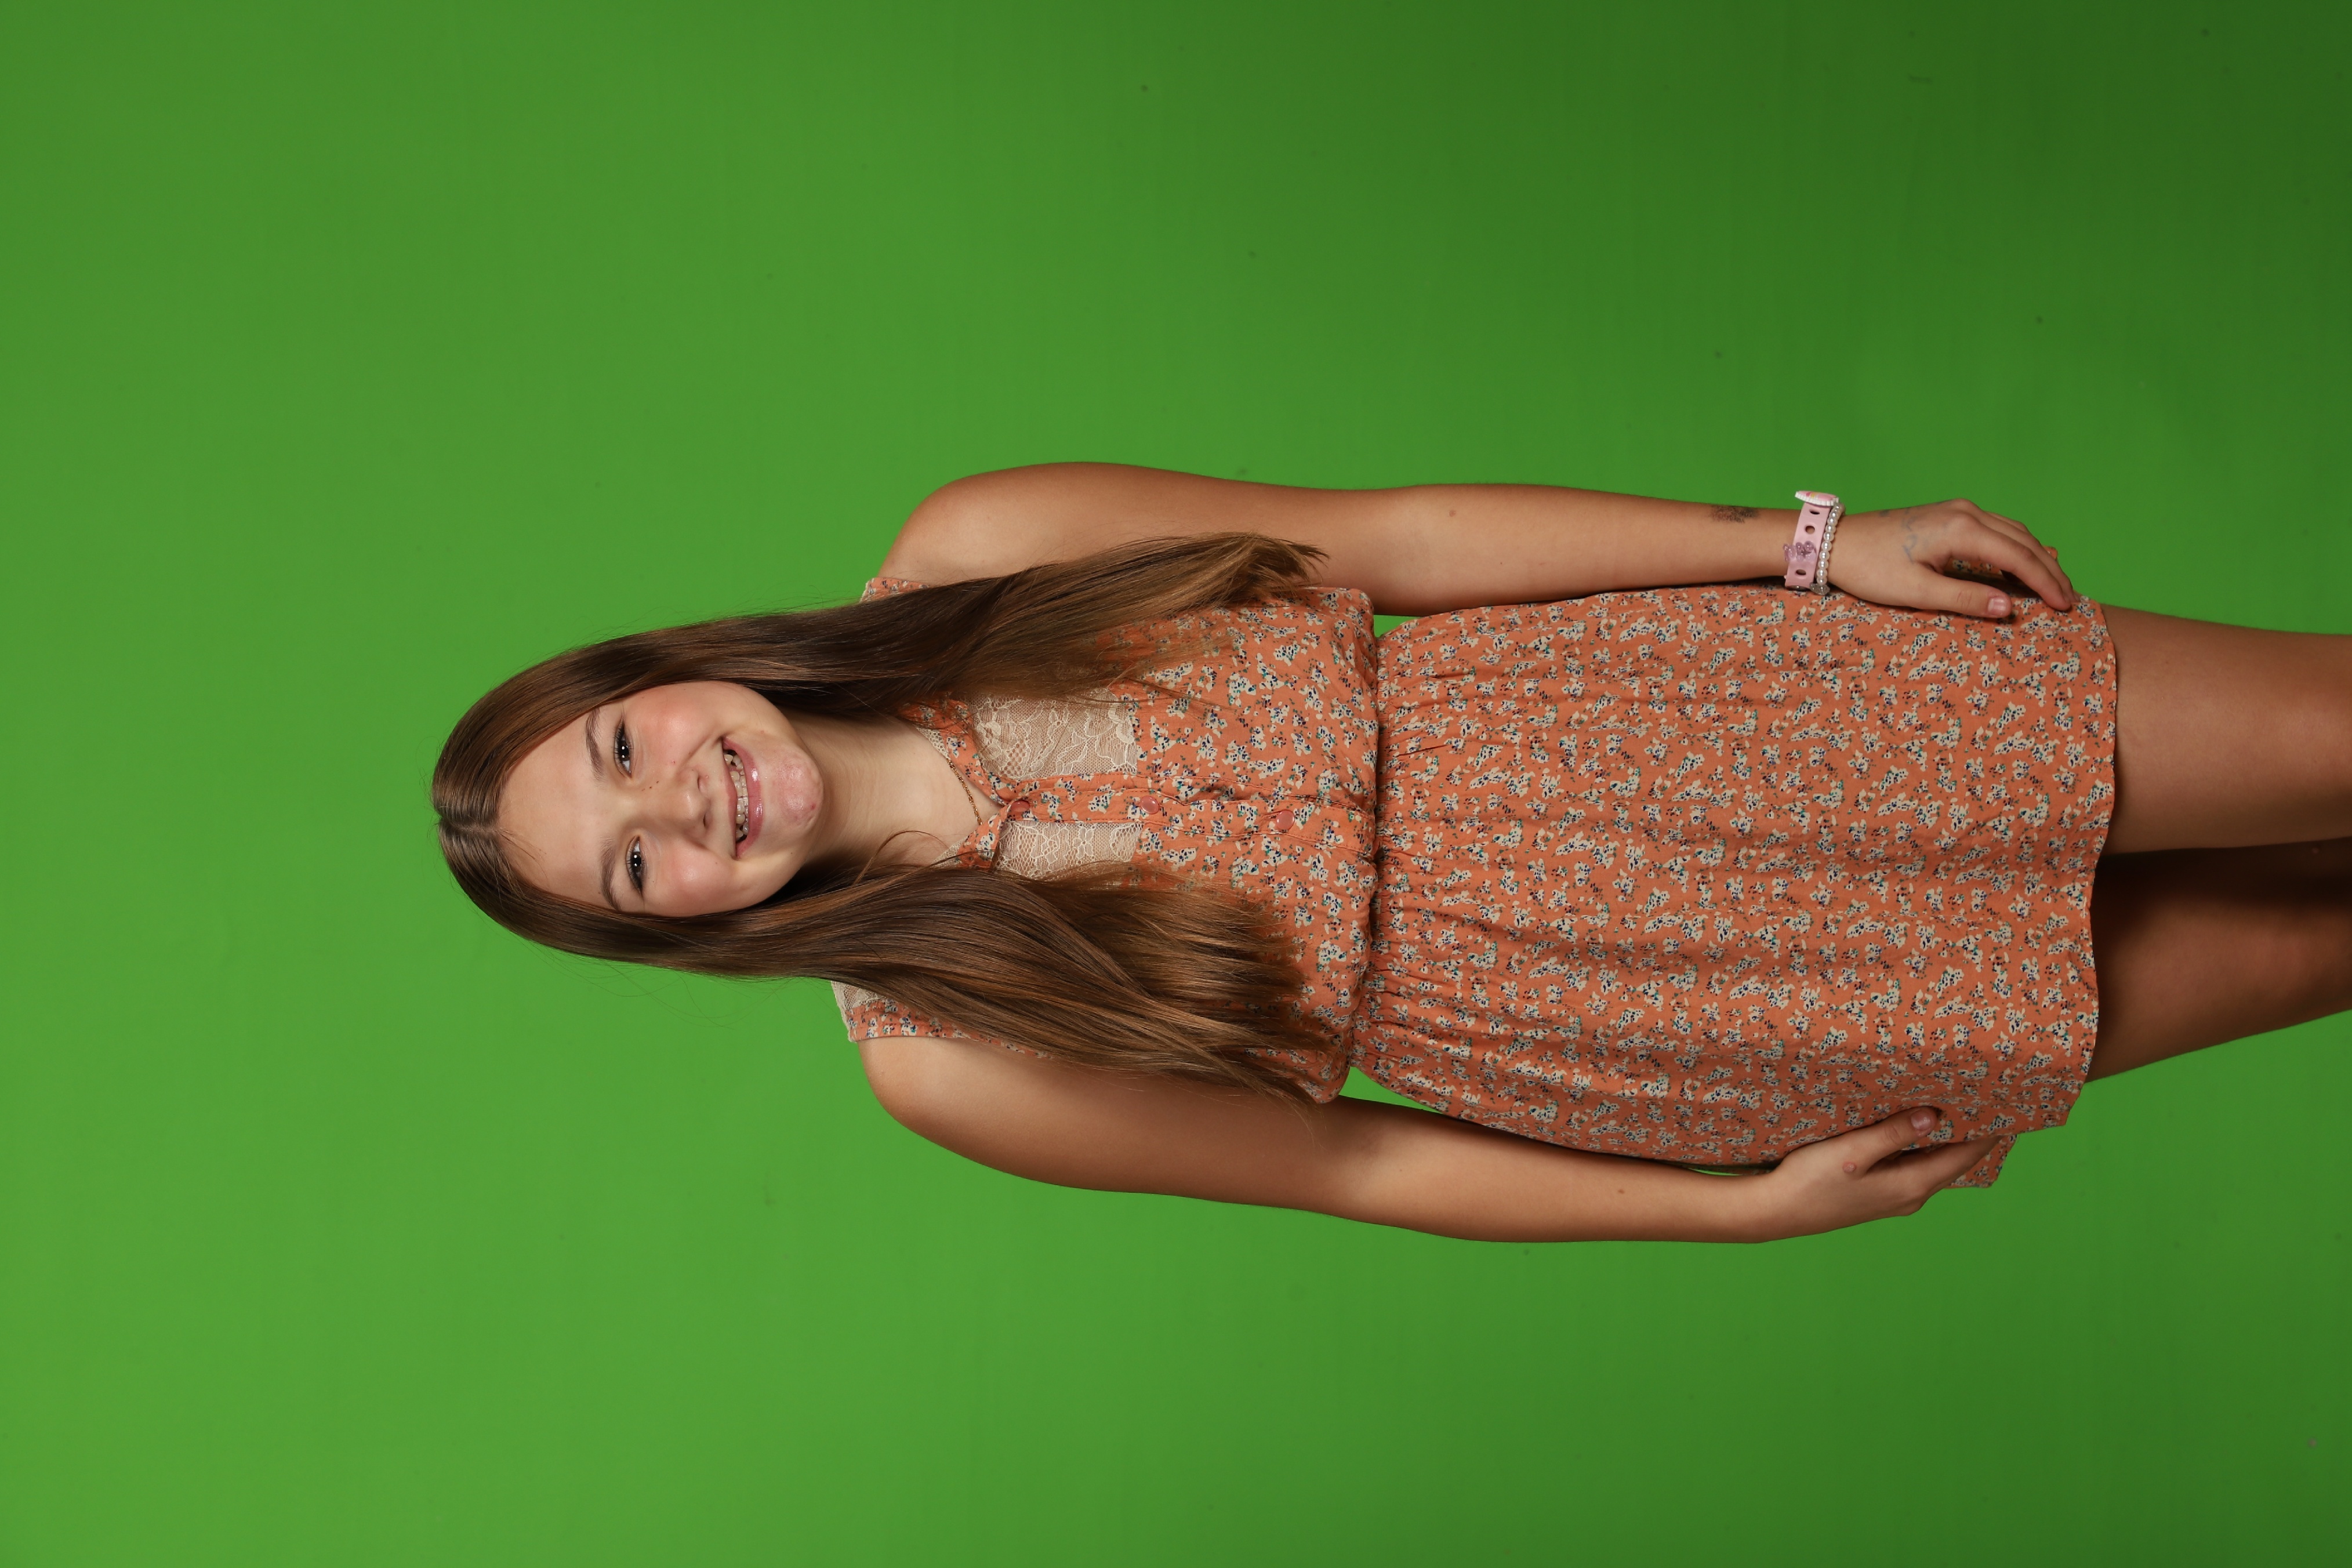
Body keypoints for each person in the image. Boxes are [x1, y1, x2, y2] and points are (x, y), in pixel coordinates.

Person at [435, 464, 2352, 1243]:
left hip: (1701, 706)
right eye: (633, 867)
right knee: (2315, 949)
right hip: (1668, 1006)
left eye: (623, 749)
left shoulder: (973, 548)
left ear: (660, 674)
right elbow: (1350, 1161)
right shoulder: (941, 1058)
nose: (681, 807)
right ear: (672, 933)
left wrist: (1804, 544)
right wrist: (1730, 1213)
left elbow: (1401, 539)